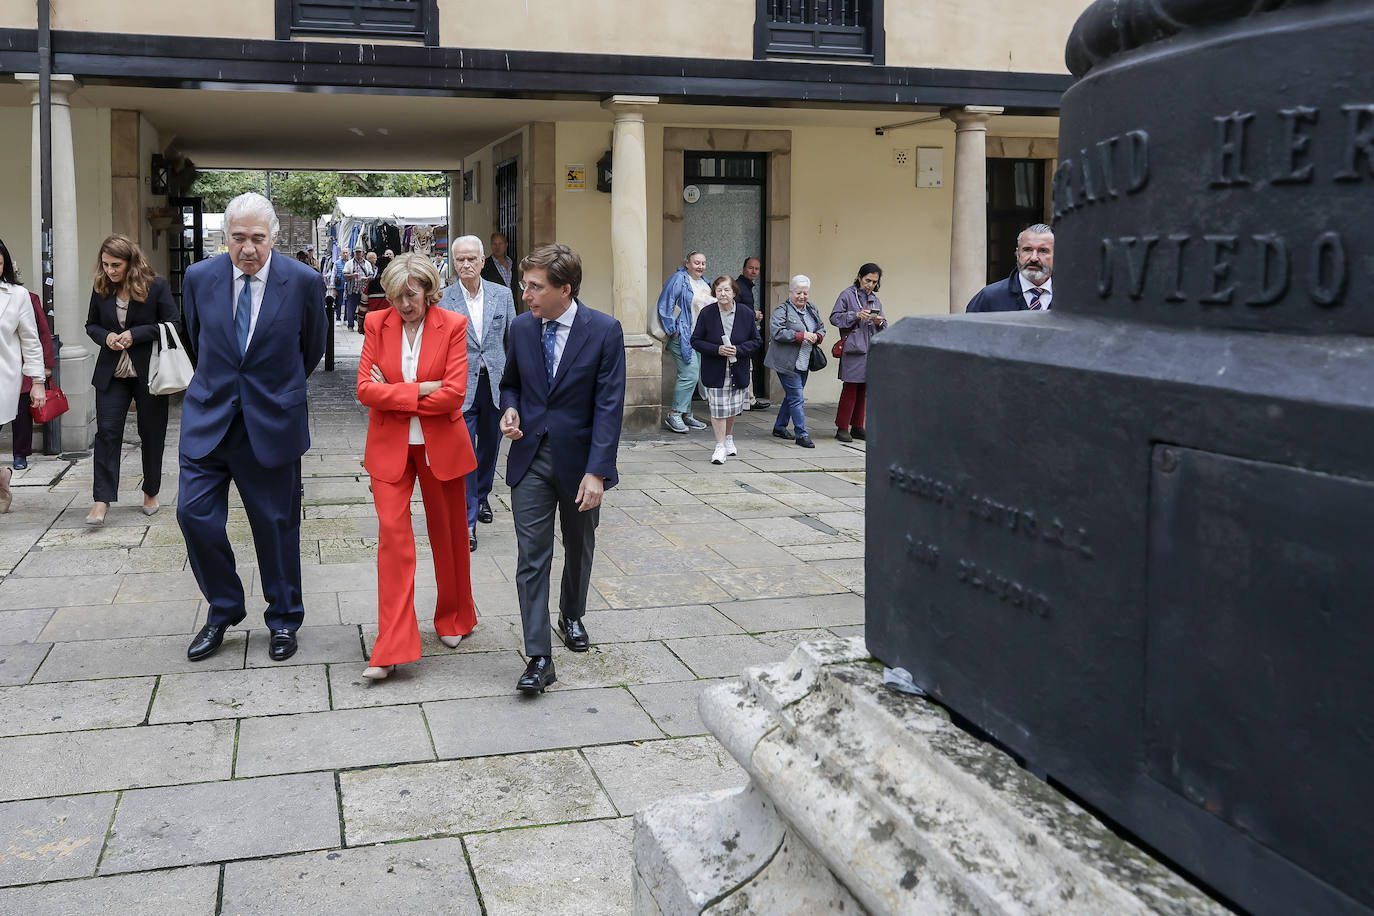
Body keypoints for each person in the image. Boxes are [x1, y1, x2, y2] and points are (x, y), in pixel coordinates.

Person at [178, 192, 328, 664]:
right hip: (209, 418)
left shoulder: (303, 281)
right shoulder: (199, 277)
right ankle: (224, 608)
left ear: (274, 238)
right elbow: (194, 339)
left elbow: (312, 348)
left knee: (276, 526)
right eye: (238, 238)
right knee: (193, 515)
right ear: (225, 238)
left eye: (258, 239)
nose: (248, 248)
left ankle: (284, 618)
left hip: (271, 421)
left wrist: (271, 392)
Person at [499, 243, 625, 694]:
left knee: (579, 544)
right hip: (529, 456)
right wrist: (509, 411)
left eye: (534, 287)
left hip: (580, 462)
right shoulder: (520, 328)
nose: (525, 294)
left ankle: (571, 614)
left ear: (564, 289)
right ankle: (538, 656)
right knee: (532, 556)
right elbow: (510, 383)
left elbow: (609, 408)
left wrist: (598, 471)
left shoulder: (605, 331)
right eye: (524, 284)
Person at [356, 254, 478, 680]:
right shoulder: (377, 324)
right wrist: (423, 388)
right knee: (393, 539)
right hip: (390, 448)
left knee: (448, 536)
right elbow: (364, 390)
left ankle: (455, 616)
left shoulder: (453, 326)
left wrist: (396, 391)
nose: (402, 304)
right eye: (394, 296)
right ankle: (391, 645)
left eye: (410, 294)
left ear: (429, 290)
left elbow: (454, 395)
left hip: (440, 446)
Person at [83, 234, 180, 525]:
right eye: (105, 264)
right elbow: (91, 325)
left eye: (116, 265)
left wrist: (135, 334)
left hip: (149, 372)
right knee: (107, 434)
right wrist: (107, 336)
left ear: (130, 262)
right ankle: (101, 500)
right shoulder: (101, 288)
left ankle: (151, 491)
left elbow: (174, 323)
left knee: (151, 433)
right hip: (112, 373)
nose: (110, 270)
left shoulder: (156, 286)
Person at [437, 235, 517, 552]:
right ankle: (467, 521)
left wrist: (515, 390)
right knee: (465, 453)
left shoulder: (503, 295)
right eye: (460, 260)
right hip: (461, 387)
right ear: (453, 263)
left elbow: (511, 342)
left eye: (472, 259)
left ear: (483, 261)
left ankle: (482, 497)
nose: (466, 265)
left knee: (489, 450)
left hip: (495, 386)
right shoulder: (443, 298)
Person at [691, 276, 761, 465]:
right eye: (719, 290)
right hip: (715, 369)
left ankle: (728, 438)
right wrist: (717, 349)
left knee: (731, 408)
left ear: (734, 293)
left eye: (727, 290)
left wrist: (739, 349)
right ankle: (719, 446)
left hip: (738, 369)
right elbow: (695, 340)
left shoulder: (746, 313)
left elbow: (756, 341)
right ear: (715, 292)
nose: (723, 294)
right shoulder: (707, 313)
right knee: (718, 409)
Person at [0, 236, 46, 513]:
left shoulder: (16, 296)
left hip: (4, 378)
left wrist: (37, 382)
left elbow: (30, 340)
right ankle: (2, 477)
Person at [4, 244, 54, 472]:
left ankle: (19, 455)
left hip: (10, 375)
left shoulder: (19, 296)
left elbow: (35, 338)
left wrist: (39, 378)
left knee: (22, 416)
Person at [764, 274, 826, 449]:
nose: (802, 297)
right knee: (797, 397)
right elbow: (776, 332)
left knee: (792, 397)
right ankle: (802, 434)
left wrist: (818, 336)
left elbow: (821, 327)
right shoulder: (781, 310)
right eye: (798, 293)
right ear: (790, 292)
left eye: (805, 293)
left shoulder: (811, 309)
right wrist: (801, 335)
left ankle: (779, 427)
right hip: (786, 362)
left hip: (805, 361)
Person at [829, 263, 889, 442]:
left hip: (870, 350)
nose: (870, 285)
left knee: (864, 389)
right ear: (859, 277)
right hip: (854, 349)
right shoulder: (847, 295)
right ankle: (842, 427)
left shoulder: (875, 300)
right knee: (850, 388)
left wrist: (879, 322)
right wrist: (855, 315)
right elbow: (834, 318)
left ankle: (857, 426)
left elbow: (885, 324)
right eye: (867, 280)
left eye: (874, 282)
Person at [656, 251, 711, 434]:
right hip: (682, 336)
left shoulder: (705, 283)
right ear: (687, 263)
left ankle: (686, 414)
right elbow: (666, 303)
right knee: (689, 374)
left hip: (697, 337)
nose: (700, 266)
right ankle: (674, 414)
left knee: (693, 375)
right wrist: (672, 331)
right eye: (696, 263)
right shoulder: (679, 278)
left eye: (703, 263)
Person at [966, 224, 1055, 312]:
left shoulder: (1068, 298)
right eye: (1027, 250)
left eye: (1043, 251)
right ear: (1018, 254)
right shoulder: (989, 297)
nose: (1033, 258)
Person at [736, 257, 770, 410]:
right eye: (751, 268)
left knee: (747, 367)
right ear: (743, 269)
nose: (754, 271)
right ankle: (746, 401)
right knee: (743, 368)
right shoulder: (738, 286)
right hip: (739, 336)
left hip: (746, 334)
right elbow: (734, 308)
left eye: (757, 269)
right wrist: (753, 314)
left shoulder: (747, 286)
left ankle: (749, 400)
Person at [480, 231, 519, 303]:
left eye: (500, 244)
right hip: (495, 306)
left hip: (512, 304)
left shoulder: (512, 262)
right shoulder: (485, 265)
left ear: (506, 245)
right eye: (494, 244)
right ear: (491, 245)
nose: (497, 247)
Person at [342, 245, 373, 330]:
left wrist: (367, 278)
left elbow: (371, 274)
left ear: (362, 253)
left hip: (363, 290)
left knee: (363, 308)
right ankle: (350, 325)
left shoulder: (367, 263)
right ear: (354, 253)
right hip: (353, 289)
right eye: (357, 252)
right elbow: (344, 274)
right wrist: (352, 275)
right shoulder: (349, 263)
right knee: (351, 308)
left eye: (359, 252)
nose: (358, 254)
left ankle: (363, 325)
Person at [360, 250, 391, 332]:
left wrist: (360, 322)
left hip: (373, 321)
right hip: (389, 321)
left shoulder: (372, 284)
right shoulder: (394, 285)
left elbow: (363, 305)